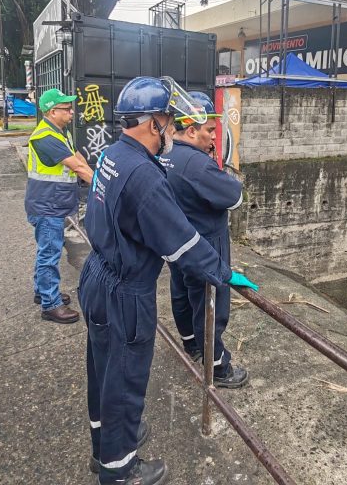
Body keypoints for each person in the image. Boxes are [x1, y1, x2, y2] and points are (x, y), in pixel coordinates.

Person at [78, 76, 258, 485]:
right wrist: (225, 273)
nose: (172, 132)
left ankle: (104, 445)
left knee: (103, 369)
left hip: (98, 272)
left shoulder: (112, 155)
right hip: (124, 288)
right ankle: (120, 469)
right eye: (168, 123)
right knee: (124, 379)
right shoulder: (144, 174)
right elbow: (182, 244)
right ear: (151, 123)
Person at [163, 91, 248, 388]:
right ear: (191, 130)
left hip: (177, 241)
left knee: (182, 294)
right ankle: (218, 367)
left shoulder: (166, 154)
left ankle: (191, 344)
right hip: (206, 243)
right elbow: (234, 197)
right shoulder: (197, 165)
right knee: (210, 304)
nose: (213, 137)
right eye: (209, 130)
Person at [25, 88, 93, 324]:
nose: (71, 111)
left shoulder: (60, 133)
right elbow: (77, 167)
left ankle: (42, 291)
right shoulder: (46, 137)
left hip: (53, 203)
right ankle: (50, 305)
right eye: (66, 108)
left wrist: (93, 177)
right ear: (53, 111)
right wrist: (104, 187)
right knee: (49, 254)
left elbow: (79, 159)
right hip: (46, 205)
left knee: (47, 250)